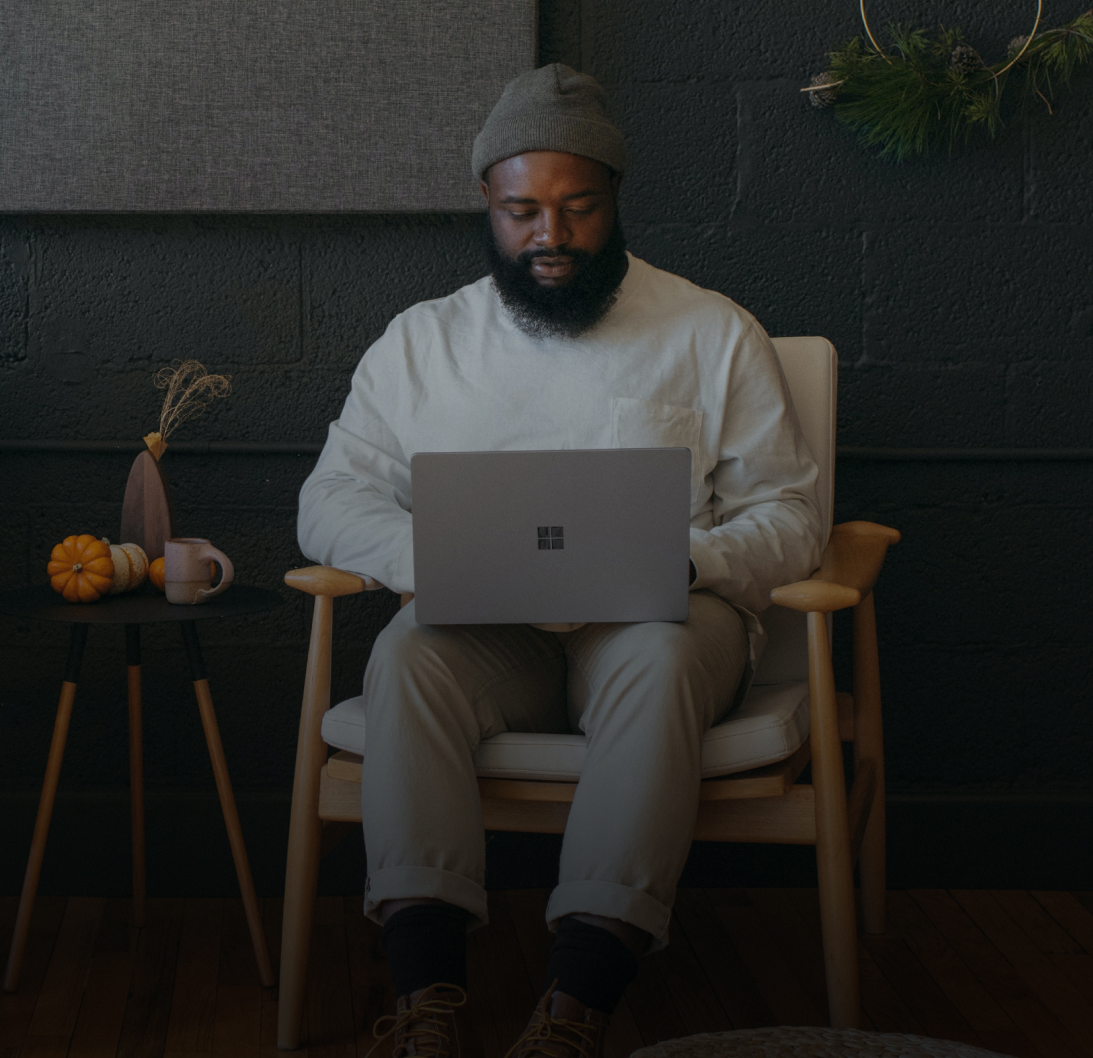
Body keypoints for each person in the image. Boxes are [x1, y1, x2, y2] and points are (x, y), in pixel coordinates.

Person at [295, 64, 823, 1057]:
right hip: (492, 633)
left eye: (577, 208)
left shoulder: (710, 330)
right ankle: (426, 998)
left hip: (663, 623)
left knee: (660, 655)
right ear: (487, 208)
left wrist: (683, 559)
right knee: (408, 653)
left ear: (614, 201)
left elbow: (791, 514)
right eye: (522, 210)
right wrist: (431, 553)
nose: (550, 234)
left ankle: (578, 1000)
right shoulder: (422, 343)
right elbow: (325, 499)